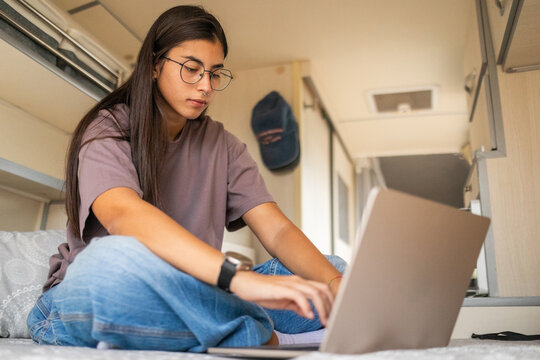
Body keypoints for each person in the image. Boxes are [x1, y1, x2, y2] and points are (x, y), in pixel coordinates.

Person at [27, 5, 345, 352]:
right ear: (154, 65)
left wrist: (336, 284)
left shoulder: (224, 145)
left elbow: (277, 229)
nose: (206, 86)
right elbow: (123, 215)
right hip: (94, 295)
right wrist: (236, 279)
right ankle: (263, 336)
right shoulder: (109, 127)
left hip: (200, 292)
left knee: (331, 270)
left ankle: (224, 325)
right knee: (108, 263)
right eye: (192, 69)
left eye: (215, 73)